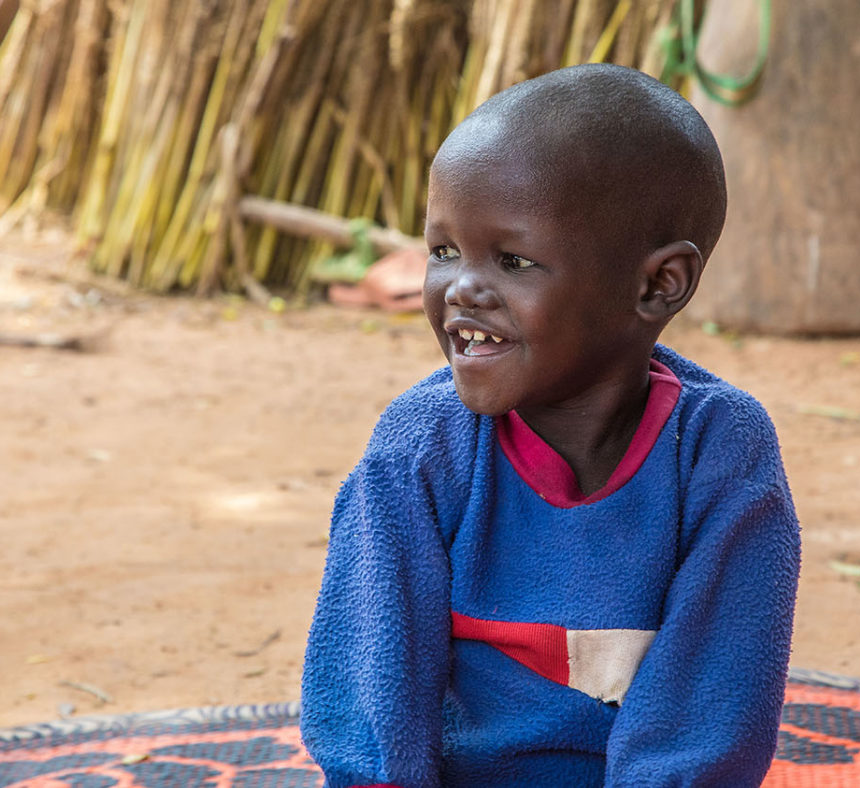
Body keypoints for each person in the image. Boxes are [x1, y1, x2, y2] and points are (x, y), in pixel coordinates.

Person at [300, 64, 800, 787]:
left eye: (513, 260)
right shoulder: (420, 447)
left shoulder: (719, 451)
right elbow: (369, 684)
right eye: (443, 251)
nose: (463, 288)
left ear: (658, 285)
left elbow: (716, 700)